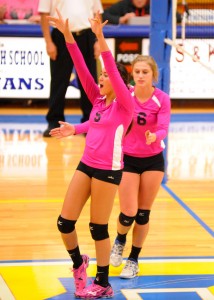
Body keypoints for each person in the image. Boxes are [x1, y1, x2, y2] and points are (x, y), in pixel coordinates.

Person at [48, 9, 134, 299]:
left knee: (98, 227)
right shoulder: (98, 100)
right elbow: (82, 69)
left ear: (118, 82)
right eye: (101, 76)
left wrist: (100, 37)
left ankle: (104, 282)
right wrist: (69, 36)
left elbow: (110, 70)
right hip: (87, 164)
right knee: (64, 222)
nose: (101, 78)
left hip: (109, 170)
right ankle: (78, 264)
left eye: (106, 76)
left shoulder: (125, 104)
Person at [110, 55, 171, 278]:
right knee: (128, 213)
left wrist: (154, 136)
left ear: (153, 74)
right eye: (137, 72)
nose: (141, 76)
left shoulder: (162, 99)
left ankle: (133, 260)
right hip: (128, 159)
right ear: (132, 74)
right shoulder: (125, 95)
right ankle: (120, 239)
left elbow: (164, 128)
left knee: (143, 214)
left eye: (145, 72)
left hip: (153, 160)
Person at [38, 0, 103, 137]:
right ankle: (54, 121)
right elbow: (44, 15)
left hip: (86, 36)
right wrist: (48, 42)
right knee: (58, 81)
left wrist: (97, 40)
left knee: (89, 82)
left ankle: (90, 121)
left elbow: (97, 14)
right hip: (60, 36)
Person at [103, 0, 182, 25]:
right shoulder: (124, 4)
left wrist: (156, 18)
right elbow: (104, 15)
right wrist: (121, 19)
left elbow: (178, 17)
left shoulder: (155, 4)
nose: (139, 0)